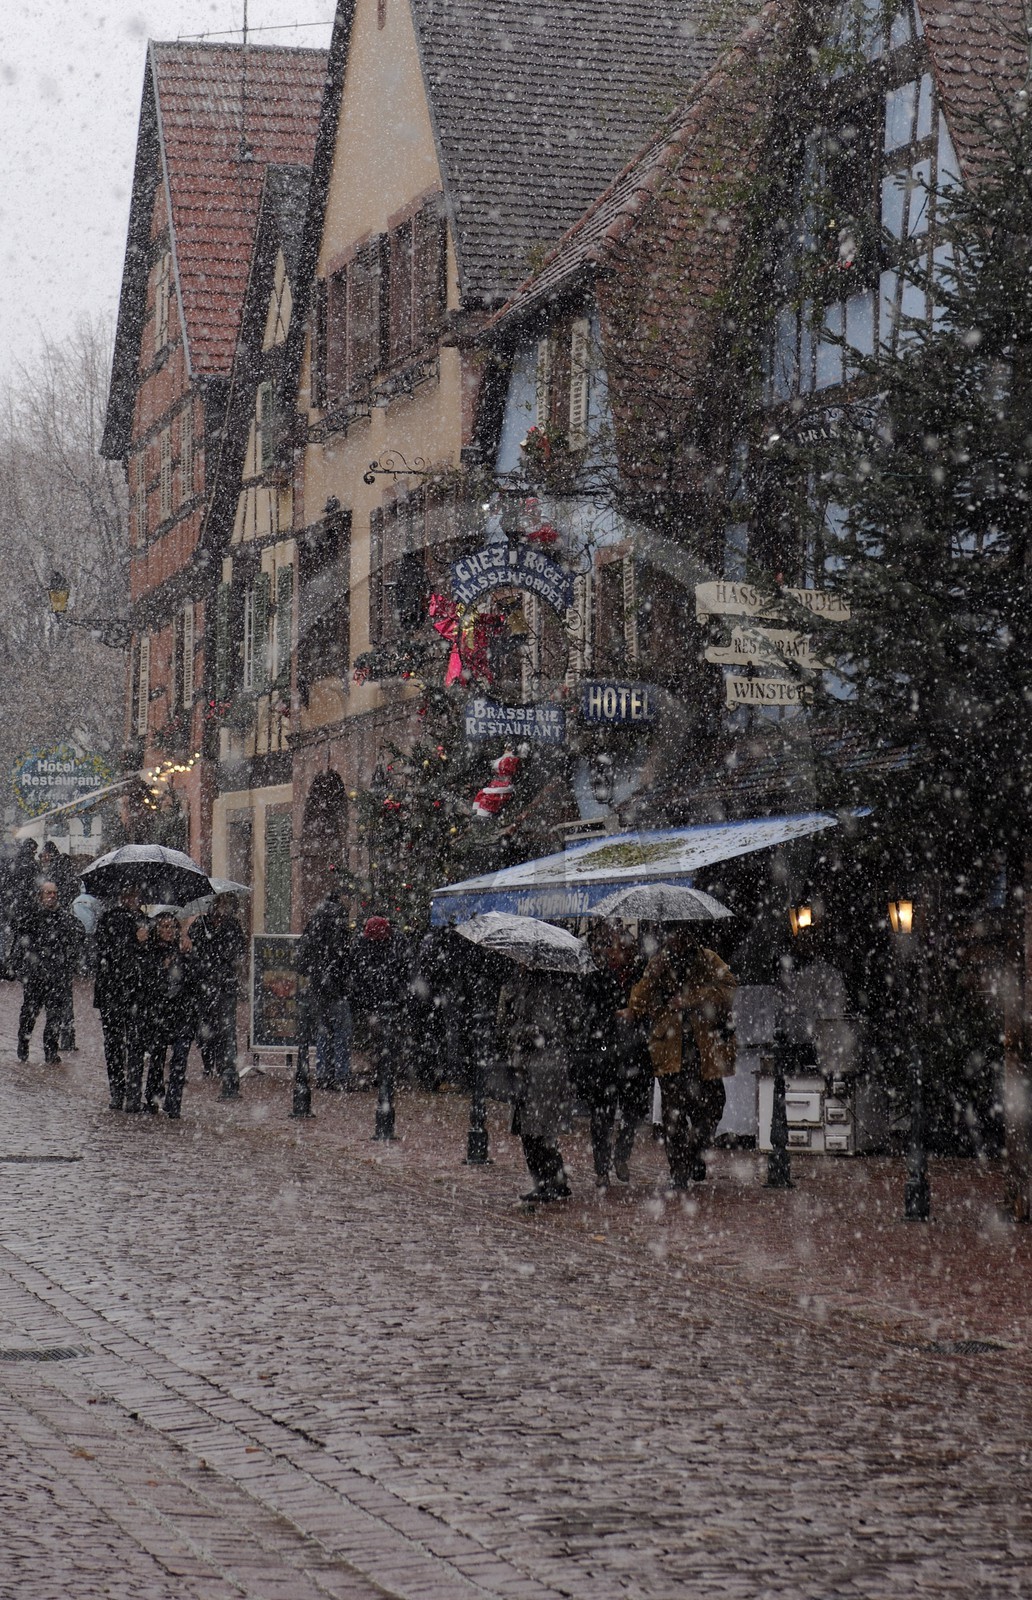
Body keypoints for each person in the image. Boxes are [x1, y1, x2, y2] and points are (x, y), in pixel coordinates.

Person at [625, 929, 737, 1187]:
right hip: (670, 1050)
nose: (677, 941)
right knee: (673, 1116)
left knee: (711, 1107)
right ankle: (679, 1173)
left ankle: (696, 1153)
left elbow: (728, 989)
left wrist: (692, 999)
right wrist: (654, 975)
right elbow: (637, 1003)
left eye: (682, 935)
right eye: (673, 935)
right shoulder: (658, 964)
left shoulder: (708, 960)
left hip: (704, 1050)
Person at [570, 923, 651, 1188]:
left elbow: (648, 1009)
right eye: (615, 948)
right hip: (605, 1052)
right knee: (602, 1114)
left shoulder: (642, 976)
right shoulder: (598, 977)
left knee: (632, 1112)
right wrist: (613, 1016)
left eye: (623, 949)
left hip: (634, 1053)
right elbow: (590, 1014)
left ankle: (621, 1156)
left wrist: (636, 1020)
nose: (617, 954)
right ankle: (601, 1167)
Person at [499, 968, 574, 1204]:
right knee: (534, 1128)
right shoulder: (521, 988)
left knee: (536, 1129)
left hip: (541, 1069)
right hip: (534, 1067)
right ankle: (552, 1181)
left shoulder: (543, 991)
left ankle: (548, 1182)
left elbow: (544, 1030)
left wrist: (517, 1031)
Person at [11, 880, 82, 1066]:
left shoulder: (64, 918)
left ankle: (50, 1052)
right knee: (29, 1014)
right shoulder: (31, 918)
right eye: (48, 893)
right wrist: (21, 967)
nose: (52, 896)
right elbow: (20, 941)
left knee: (54, 1017)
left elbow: (77, 936)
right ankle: (23, 1046)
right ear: (40, 896)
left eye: (54, 893)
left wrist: (69, 963)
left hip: (56, 976)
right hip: (35, 976)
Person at [93, 884, 148, 1109]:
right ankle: (117, 1091)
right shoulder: (109, 919)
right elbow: (107, 954)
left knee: (136, 1043)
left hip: (137, 992)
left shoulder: (146, 921)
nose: (132, 898)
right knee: (114, 1043)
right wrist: (134, 940)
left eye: (135, 893)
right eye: (128, 893)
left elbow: (150, 958)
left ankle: (133, 1095)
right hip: (112, 992)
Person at [352, 916, 407, 1138]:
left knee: (387, 1044)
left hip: (389, 1005)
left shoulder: (396, 944)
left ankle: (386, 1078)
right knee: (381, 1043)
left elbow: (403, 972)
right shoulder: (367, 945)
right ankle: (384, 1076)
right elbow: (361, 972)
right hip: (378, 1004)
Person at [140, 911, 198, 1119]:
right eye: (163, 927)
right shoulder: (150, 951)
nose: (167, 931)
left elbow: (194, 979)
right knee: (157, 1057)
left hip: (182, 1011)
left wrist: (184, 958)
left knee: (180, 1059)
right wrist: (160, 970)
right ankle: (154, 1097)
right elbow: (145, 980)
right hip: (159, 1012)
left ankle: (174, 1103)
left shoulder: (183, 950)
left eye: (171, 927)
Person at [189, 892, 247, 1098]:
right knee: (205, 1027)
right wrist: (203, 941)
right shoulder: (200, 924)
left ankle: (227, 1069)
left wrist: (226, 954)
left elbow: (239, 951)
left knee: (227, 1028)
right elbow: (192, 948)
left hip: (225, 985)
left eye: (227, 904)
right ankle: (208, 1062)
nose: (223, 908)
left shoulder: (233, 926)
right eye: (220, 903)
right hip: (204, 985)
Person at [296, 891, 353, 1090]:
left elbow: (301, 960)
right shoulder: (340, 925)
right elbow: (345, 958)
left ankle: (323, 1074)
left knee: (324, 1032)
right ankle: (342, 1075)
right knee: (341, 1033)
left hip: (318, 987)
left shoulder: (313, 925)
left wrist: (315, 974)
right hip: (337, 987)